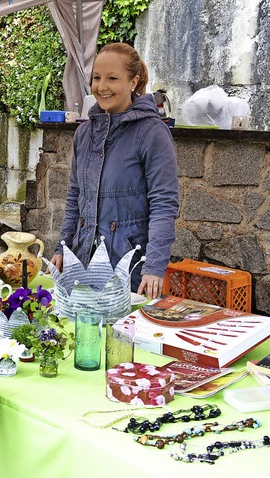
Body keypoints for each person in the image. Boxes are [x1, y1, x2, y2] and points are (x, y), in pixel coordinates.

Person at [51, 43, 179, 299]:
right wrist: (61, 248)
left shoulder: (152, 132)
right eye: (97, 78)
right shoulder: (84, 133)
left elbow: (164, 204)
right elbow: (75, 196)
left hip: (129, 269)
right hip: (82, 262)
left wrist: (154, 267)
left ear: (133, 82)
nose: (102, 86)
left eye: (112, 78)